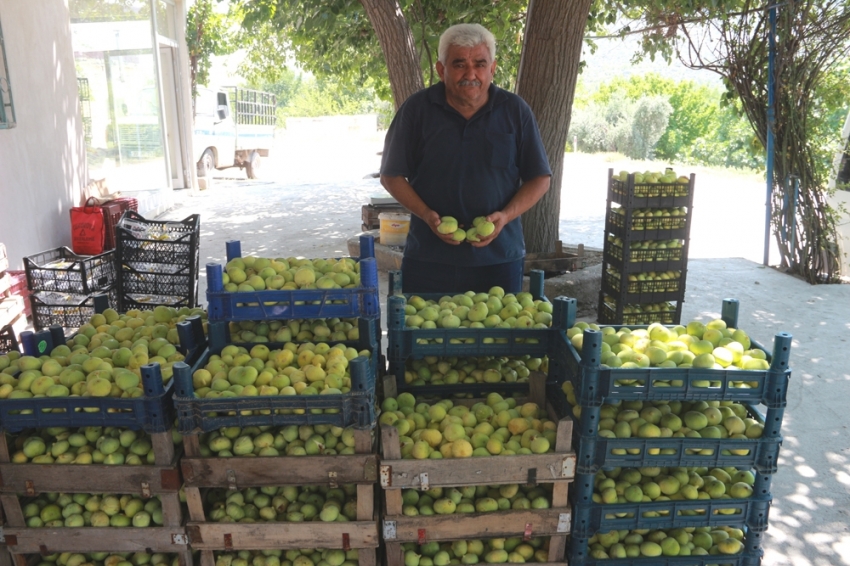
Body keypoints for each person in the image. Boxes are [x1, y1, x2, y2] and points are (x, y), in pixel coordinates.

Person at [380, 23, 552, 294]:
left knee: (497, 335)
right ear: (441, 69)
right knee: (425, 334)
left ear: (492, 69)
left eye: (480, 64)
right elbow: (391, 175)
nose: (470, 74)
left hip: (500, 258)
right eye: (459, 64)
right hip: (429, 257)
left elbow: (540, 178)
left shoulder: (515, 111)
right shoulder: (417, 110)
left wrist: (505, 216)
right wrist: (426, 215)